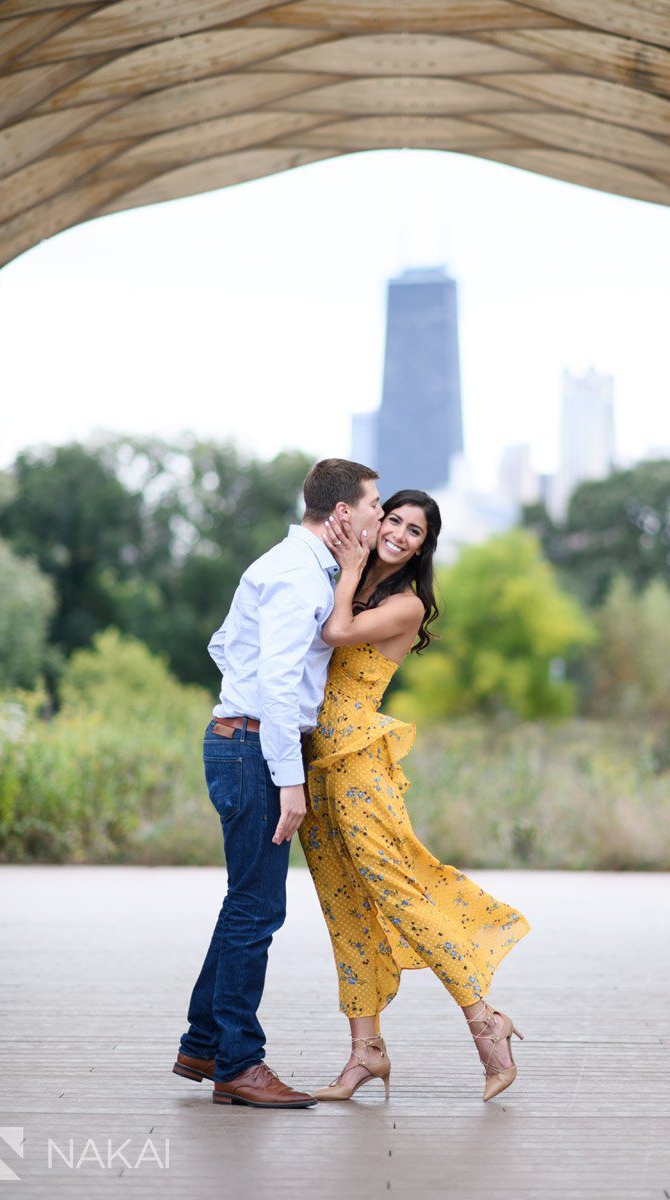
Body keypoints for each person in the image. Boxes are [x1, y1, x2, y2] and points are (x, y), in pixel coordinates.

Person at [299, 490, 531, 1103]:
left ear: (423, 547)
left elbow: (336, 631)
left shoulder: (406, 604)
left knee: (398, 895)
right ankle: (365, 1052)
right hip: (313, 763)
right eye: (393, 520)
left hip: (357, 761)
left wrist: (349, 568)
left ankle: (486, 1024)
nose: (399, 534)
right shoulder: (345, 578)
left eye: (414, 530)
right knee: (343, 905)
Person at [173, 458, 383, 1108]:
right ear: (343, 514)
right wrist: (287, 779)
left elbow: (224, 645)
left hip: (241, 740)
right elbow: (278, 684)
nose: (379, 516)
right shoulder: (297, 576)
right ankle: (240, 1063)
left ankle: (204, 1044)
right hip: (255, 749)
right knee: (258, 908)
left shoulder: (291, 567)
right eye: (374, 504)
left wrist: (239, 693)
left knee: (245, 902)